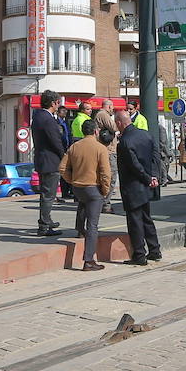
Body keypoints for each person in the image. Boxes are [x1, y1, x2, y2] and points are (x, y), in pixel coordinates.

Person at [59, 118, 112, 271]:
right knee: (93, 225)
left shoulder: (74, 146)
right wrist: (105, 190)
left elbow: (62, 168)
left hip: (78, 187)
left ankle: (79, 229)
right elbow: (105, 173)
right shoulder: (100, 148)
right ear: (96, 131)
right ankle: (89, 260)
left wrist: (72, 180)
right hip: (93, 188)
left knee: (83, 205)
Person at [115, 110, 163, 266]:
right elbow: (156, 155)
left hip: (132, 186)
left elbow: (134, 165)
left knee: (135, 221)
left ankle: (139, 255)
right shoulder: (146, 135)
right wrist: (154, 176)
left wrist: (148, 178)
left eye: (117, 123)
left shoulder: (125, 142)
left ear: (120, 123)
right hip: (146, 185)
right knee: (146, 218)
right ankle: (155, 250)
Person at [31, 91, 66, 237]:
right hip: (50, 161)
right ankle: (44, 225)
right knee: (48, 194)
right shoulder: (48, 119)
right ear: (53, 103)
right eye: (58, 102)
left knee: (46, 193)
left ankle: (47, 219)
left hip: (42, 159)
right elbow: (55, 141)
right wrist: (64, 155)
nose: (59, 105)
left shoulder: (38, 117)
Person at [94, 99, 118, 214]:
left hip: (106, 150)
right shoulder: (103, 114)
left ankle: (103, 202)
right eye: (112, 107)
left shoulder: (99, 114)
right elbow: (114, 127)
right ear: (108, 107)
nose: (113, 110)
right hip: (108, 151)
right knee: (111, 177)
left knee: (106, 177)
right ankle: (105, 203)